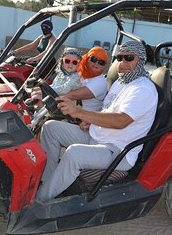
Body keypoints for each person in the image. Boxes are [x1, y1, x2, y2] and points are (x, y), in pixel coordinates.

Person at [36, 40, 158, 201]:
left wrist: (79, 112)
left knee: (74, 153)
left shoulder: (143, 88)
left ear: (141, 60)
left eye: (129, 58)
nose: (123, 63)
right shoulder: (120, 82)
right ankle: (48, 181)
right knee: (51, 128)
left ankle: (40, 200)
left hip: (118, 150)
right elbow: (106, 109)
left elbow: (121, 120)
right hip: (97, 136)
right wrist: (91, 121)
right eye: (119, 58)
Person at [29, 46, 108, 112]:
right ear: (87, 58)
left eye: (101, 62)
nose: (96, 63)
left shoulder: (100, 82)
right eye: (93, 59)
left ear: (104, 65)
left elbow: (71, 95)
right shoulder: (77, 72)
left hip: (79, 119)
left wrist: (45, 93)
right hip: (66, 109)